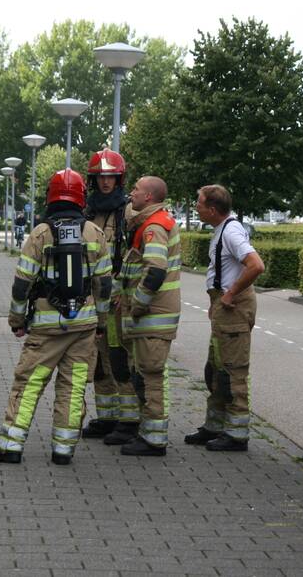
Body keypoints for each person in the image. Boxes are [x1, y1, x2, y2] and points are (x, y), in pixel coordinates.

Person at [0, 169, 112, 465]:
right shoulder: (95, 233)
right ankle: (63, 450)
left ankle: (11, 446)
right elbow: (104, 285)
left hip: (46, 328)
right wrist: (101, 324)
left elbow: (22, 283)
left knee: (29, 383)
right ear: (81, 196)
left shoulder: (40, 234)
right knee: (73, 385)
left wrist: (17, 319)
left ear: (51, 196)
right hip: (84, 326)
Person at [186, 184, 264, 452]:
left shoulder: (230, 232)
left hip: (233, 309)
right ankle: (215, 426)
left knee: (232, 372)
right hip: (223, 308)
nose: (195, 206)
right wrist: (216, 301)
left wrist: (229, 295)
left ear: (212, 209)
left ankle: (236, 434)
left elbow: (256, 265)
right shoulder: (223, 229)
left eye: (199, 203)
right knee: (216, 370)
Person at [79, 149, 140, 445]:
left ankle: (128, 421)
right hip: (92, 298)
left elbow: (140, 254)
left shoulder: (128, 211)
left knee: (119, 358)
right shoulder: (86, 211)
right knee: (99, 361)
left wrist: (127, 290)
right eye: (101, 177)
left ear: (119, 179)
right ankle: (107, 417)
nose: (106, 182)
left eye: (111, 177)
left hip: (116, 299)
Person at [118, 176, 182, 456]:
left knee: (151, 377)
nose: (131, 192)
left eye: (136, 189)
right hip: (151, 317)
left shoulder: (153, 226)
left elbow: (155, 270)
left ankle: (154, 440)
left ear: (149, 197)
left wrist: (137, 304)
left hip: (152, 317)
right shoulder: (150, 222)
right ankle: (149, 434)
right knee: (144, 374)